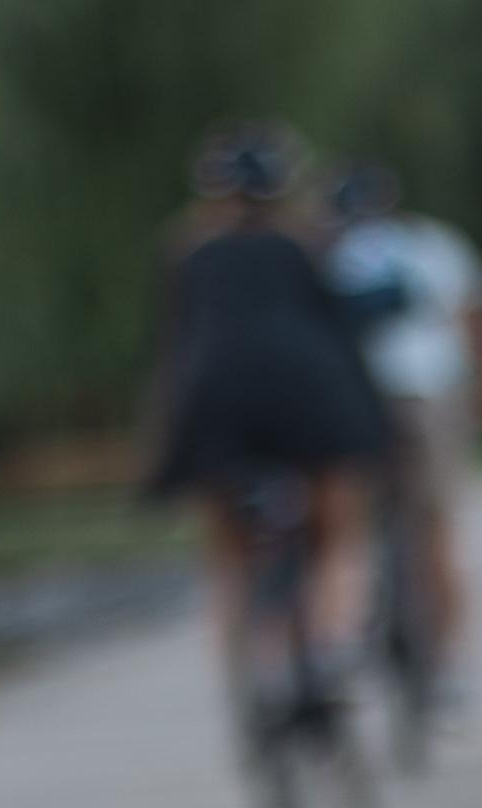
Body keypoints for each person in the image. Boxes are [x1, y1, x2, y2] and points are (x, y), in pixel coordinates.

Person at [147, 123, 390, 720]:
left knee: (228, 548)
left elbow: (174, 342)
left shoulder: (186, 250)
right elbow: (346, 320)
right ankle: (332, 646)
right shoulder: (309, 243)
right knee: (337, 529)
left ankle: (252, 670)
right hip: (307, 393)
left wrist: (158, 440)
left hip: (218, 399)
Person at [325, 159, 482, 707]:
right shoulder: (434, 244)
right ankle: (453, 666)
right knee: (440, 530)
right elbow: (477, 320)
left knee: (346, 522)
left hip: (356, 397)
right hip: (431, 392)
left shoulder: (328, 251)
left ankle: (348, 621)